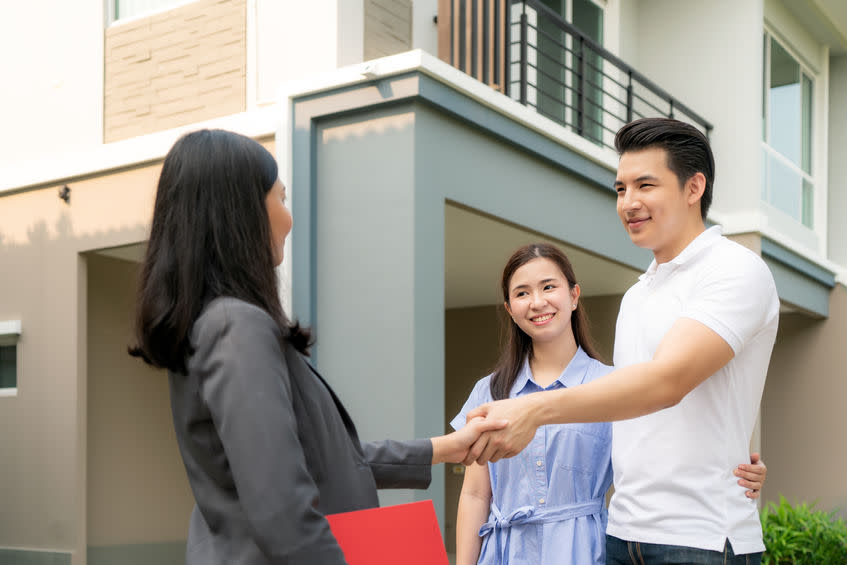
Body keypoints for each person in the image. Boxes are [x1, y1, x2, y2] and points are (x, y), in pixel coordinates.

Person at [128, 129, 504, 565]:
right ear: (242, 212)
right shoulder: (236, 327)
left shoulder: (215, 323)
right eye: (281, 198)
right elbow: (283, 512)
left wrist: (447, 447)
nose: (288, 219)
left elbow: (321, 458)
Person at [464, 118, 779, 564]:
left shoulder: (734, 270)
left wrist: (532, 409)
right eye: (620, 189)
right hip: (622, 535)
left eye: (645, 185)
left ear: (694, 188)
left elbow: (664, 383)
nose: (628, 203)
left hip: (700, 539)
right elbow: (631, 413)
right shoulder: (638, 294)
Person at [453, 242, 768, 565]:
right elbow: (476, 493)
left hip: (586, 553)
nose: (537, 302)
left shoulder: (615, 387)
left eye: (549, 287)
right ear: (509, 309)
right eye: (521, 293)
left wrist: (736, 467)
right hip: (504, 554)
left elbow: (659, 453)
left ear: (574, 296)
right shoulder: (489, 391)